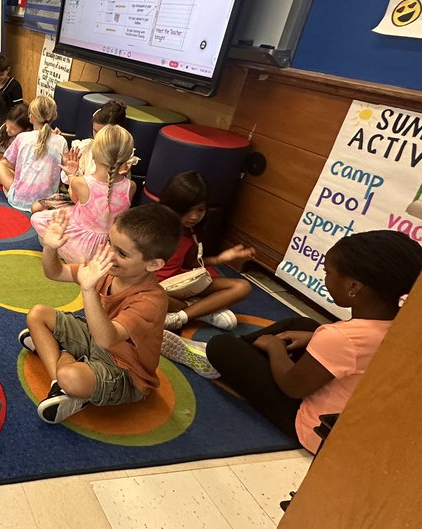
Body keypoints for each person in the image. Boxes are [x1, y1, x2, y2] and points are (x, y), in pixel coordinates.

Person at [197, 231, 422, 453]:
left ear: (354, 287)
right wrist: (313, 337)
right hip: (351, 416)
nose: (325, 278)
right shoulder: (404, 324)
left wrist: (275, 348)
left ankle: (222, 359)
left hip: (313, 427)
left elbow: (293, 387)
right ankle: (245, 354)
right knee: (305, 326)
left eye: (328, 273)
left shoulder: (340, 338)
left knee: (222, 346)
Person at [21, 204, 181, 423]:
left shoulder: (151, 300)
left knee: (71, 376)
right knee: (37, 314)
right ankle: (58, 383)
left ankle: (63, 362)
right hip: (95, 338)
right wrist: (50, 248)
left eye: (122, 253)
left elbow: (106, 339)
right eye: (109, 242)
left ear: (153, 264)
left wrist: (88, 290)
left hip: (126, 371)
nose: (109, 255)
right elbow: (55, 272)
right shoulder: (107, 267)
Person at [155, 171, 255, 331]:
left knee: (243, 287)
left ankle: (181, 316)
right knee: (152, 295)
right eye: (187, 210)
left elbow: (189, 263)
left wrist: (221, 259)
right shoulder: (155, 228)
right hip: (155, 287)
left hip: (180, 283)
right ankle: (199, 309)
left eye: (200, 210)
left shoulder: (192, 231)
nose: (194, 216)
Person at [30, 124, 136, 263]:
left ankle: (67, 255)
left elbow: (74, 200)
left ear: (94, 152)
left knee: (37, 219)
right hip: (106, 250)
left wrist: (72, 174)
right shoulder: (131, 186)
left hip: (80, 248)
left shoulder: (82, 183)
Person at [33, 102, 127, 212]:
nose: (97, 137)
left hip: (95, 207)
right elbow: (71, 188)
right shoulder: (85, 147)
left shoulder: (122, 158)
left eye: (102, 133)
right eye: (95, 131)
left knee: (49, 216)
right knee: (36, 207)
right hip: (76, 196)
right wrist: (70, 170)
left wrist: (74, 176)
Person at [0, 96, 67, 211]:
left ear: (31, 117)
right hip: (47, 199)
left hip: (20, 199)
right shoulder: (61, 141)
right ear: (53, 116)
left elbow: (7, 163)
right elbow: (63, 173)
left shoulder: (22, 137)